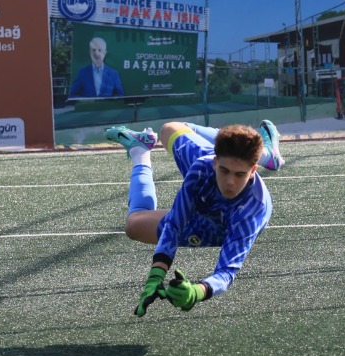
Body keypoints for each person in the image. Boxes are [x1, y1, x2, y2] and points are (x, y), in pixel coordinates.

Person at [106, 119, 285, 315]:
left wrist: (196, 292)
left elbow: (226, 272)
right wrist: (155, 277)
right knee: (169, 129)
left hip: (215, 230)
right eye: (224, 171)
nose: (230, 182)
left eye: (239, 174)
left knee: (134, 225)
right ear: (215, 162)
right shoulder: (201, 168)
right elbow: (175, 223)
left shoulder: (251, 211)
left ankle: (138, 153)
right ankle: (141, 145)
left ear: (252, 170)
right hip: (205, 180)